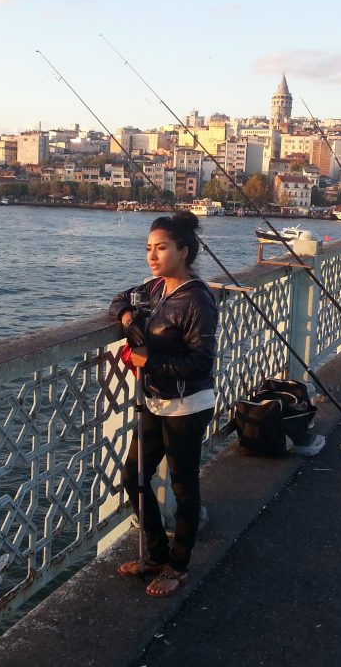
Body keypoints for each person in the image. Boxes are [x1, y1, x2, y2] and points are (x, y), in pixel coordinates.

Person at [109, 211, 219, 598]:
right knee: (134, 477)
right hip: (155, 402)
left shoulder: (197, 299)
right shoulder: (155, 289)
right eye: (149, 249)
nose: (152, 256)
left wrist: (147, 361)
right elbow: (120, 298)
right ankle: (156, 553)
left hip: (187, 406)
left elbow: (201, 362)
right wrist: (126, 317)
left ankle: (178, 564)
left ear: (184, 251)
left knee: (184, 486)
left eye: (161, 248)